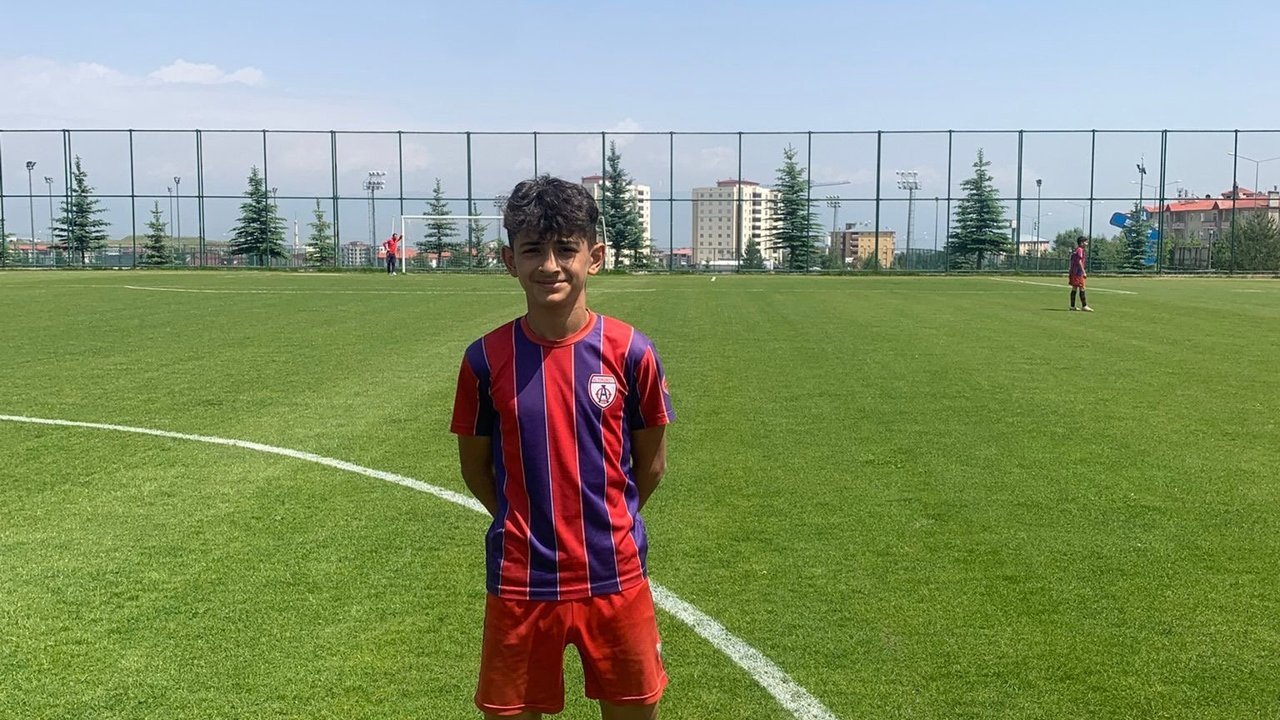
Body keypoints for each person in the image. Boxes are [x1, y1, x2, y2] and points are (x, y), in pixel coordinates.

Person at [451, 176, 673, 719]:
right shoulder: (484, 360)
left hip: (615, 574)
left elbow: (650, 464)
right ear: (510, 260)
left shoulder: (632, 352)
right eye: (533, 250)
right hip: (521, 580)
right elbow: (476, 470)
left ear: (594, 257)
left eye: (566, 249)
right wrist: (527, 522)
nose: (550, 265)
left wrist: (605, 522)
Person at [1069, 236, 1092, 311]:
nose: (1087, 243)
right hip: (1078, 273)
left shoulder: (1077, 249)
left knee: (1074, 287)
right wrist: (1083, 271)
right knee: (1082, 287)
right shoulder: (1080, 250)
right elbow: (1079, 261)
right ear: (1082, 243)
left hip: (1073, 272)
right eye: (1086, 242)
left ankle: (1072, 306)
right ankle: (1084, 306)